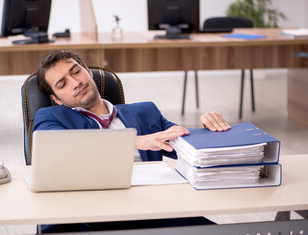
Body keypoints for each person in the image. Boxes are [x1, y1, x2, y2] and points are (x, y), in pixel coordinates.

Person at [33, 50, 231, 232]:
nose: (75, 82)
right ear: (57, 99)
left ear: (88, 72)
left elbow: (188, 146)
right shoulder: (51, 116)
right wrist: (135, 142)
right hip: (88, 219)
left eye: (76, 72)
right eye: (62, 84)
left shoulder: (146, 112)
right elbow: (58, 148)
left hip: (152, 215)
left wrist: (210, 130)